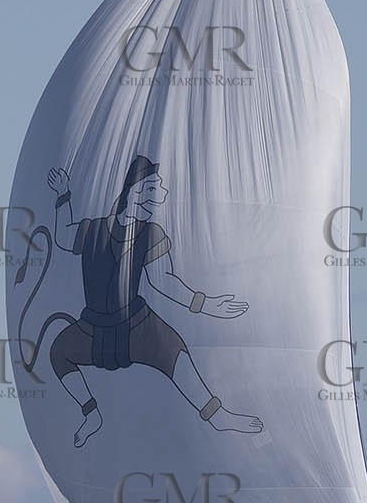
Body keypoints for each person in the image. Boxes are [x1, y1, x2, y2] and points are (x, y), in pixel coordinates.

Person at [34, 158, 263, 447]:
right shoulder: (93, 231)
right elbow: (64, 236)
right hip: (93, 326)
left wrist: (205, 304)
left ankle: (216, 415)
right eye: (155, 188)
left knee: (176, 352)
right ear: (135, 192)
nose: (162, 195)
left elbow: (163, 280)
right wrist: (63, 195)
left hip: (135, 325)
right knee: (58, 352)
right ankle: (91, 413)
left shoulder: (151, 234)